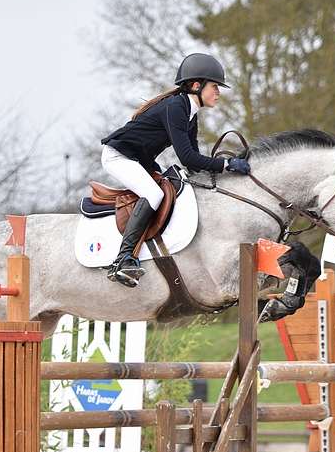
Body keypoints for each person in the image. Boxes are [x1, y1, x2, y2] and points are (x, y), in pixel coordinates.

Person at [101, 53, 251, 287]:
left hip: (141, 160)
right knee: (154, 194)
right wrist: (227, 165)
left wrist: (226, 170)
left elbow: (192, 165)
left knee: (179, 184)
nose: (219, 92)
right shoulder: (175, 108)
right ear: (196, 85)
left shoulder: (190, 114)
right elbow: (187, 156)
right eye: (215, 86)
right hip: (118, 156)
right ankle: (123, 259)